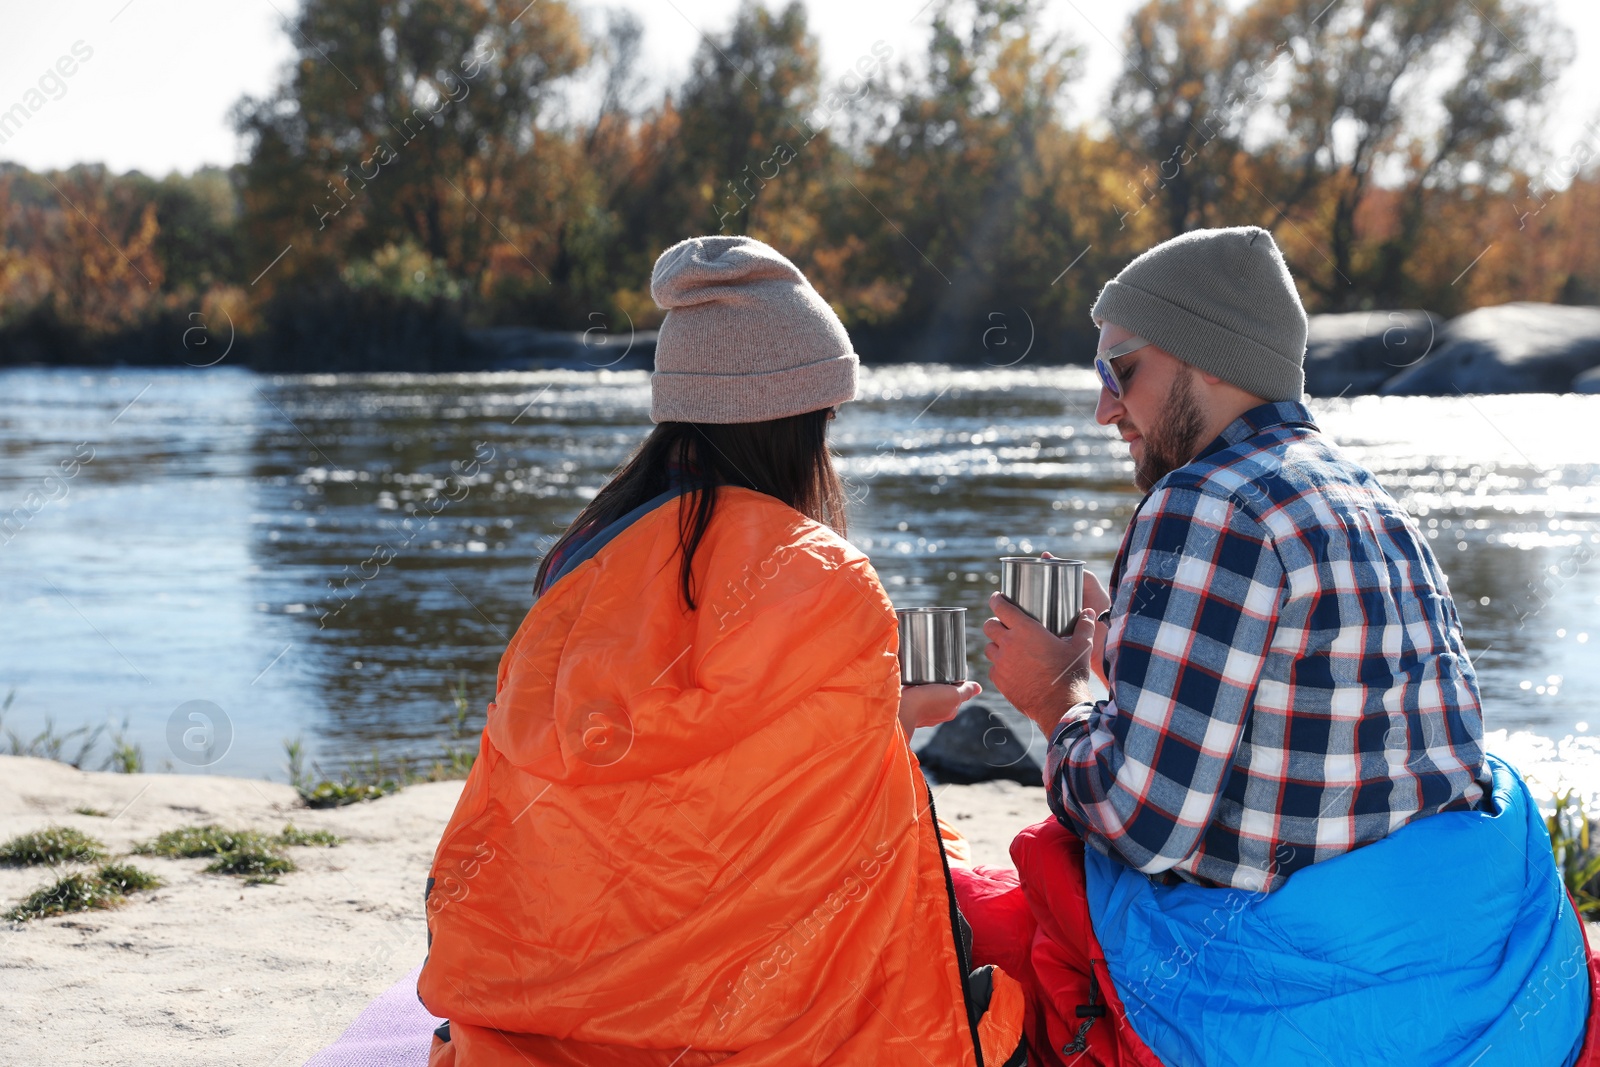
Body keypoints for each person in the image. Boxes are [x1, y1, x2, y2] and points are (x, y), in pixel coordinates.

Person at [968, 226, 1598, 1066]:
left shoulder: (1200, 502)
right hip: (1462, 975)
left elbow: (1140, 819)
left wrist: (1057, 694)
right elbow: (1311, 720)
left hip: (1303, 1006)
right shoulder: (1364, 494)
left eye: (1120, 371)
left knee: (1011, 900)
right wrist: (1128, 651)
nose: (1104, 408)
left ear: (1212, 357)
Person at [417, 235, 1026, 1067]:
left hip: (547, 991)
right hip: (757, 1024)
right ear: (795, 419)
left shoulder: (579, 559)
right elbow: (838, 850)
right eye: (826, 417)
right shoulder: (823, 574)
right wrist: (902, 721)